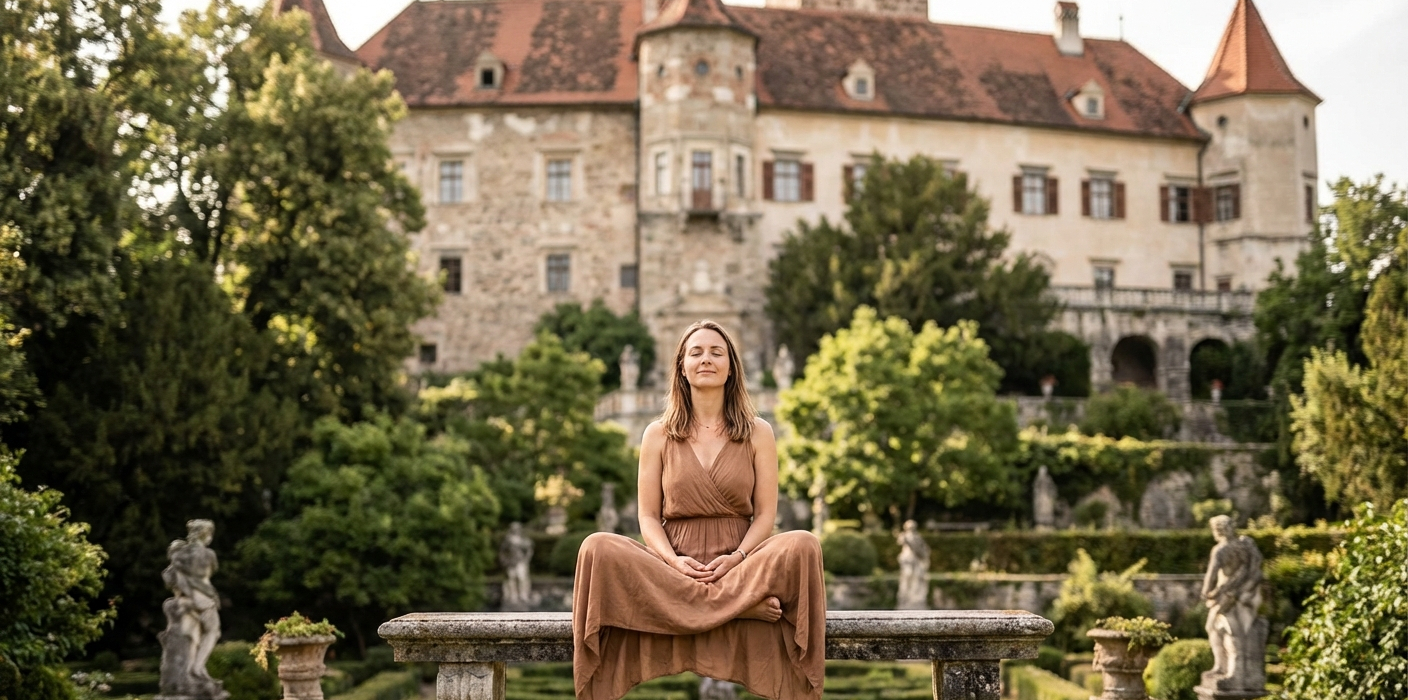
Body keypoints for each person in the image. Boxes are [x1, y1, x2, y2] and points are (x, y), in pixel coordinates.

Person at [573, 320, 825, 700]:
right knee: (596, 548)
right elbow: (647, 517)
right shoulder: (657, 434)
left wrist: (738, 557)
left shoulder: (758, 432)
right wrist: (673, 562)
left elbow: (765, 516)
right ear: (682, 366)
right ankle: (737, 608)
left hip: (738, 566)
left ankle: (708, 602)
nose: (706, 359)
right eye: (696, 352)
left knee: (804, 544)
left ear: (731, 367)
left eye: (716, 352)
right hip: (676, 567)